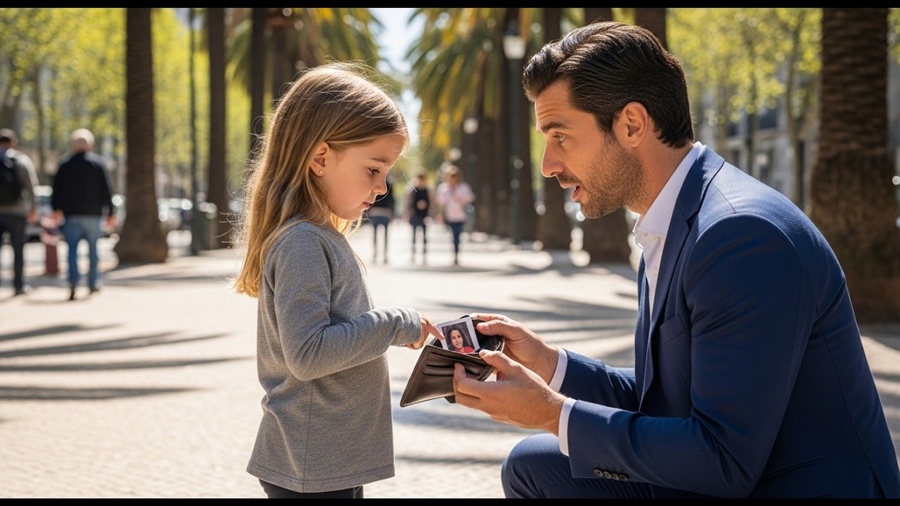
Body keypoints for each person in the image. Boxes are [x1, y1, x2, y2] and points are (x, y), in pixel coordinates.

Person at [451, 21, 900, 499]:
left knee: (541, 460)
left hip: (788, 486)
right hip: (734, 473)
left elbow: (724, 459)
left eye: (560, 136)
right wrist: (550, 364)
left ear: (632, 125)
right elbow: (664, 397)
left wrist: (551, 413)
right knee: (534, 466)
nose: (548, 165)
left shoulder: (741, 236)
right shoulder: (674, 218)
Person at [231, 61, 441, 499]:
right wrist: (395, 324)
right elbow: (308, 354)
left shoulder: (317, 236)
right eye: (373, 170)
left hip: (324, 462)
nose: (383, 188)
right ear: (320, 158)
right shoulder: (303, 243)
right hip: (312, 467)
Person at [51, 128, 117, 301]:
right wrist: (111, 212)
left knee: (71, 250)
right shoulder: (98, 164)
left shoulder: (65, 164)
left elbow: (56, 189)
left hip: (71, 215)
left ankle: (73, 282)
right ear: (90, 145)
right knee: (93, 250)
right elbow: (107, 190)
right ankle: (93, 283)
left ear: (73, 145)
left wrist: (56, 209)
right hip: (93, 215)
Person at [0, 128, 38, 296]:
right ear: (13, 143)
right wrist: (34, 208)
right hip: (17, 211)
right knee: (18, 250)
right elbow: (31, 186)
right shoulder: (21, 160)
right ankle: (18, 286)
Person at [434, 164, 474, 266]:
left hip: (461, 215)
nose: (452, 178)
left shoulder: (463, 187)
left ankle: (456, 254)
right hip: (449, 216)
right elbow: (440, 203)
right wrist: (440, 214)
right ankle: (454, 252)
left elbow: (470, 198)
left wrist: (457, 193)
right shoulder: (444, 188)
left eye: (454, 176)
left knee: (457, 235)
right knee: (452, 235)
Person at [366, 173, 395, 264]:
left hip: (376, 211)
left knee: (375, 234)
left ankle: (376, 253)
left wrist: (368, 209)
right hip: (384, 211)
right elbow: (392, 199)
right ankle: (384, 254)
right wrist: (392, 211)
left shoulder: (374, 181)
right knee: (385, 235)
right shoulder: (389, 183)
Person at [405, 171, 431, 264]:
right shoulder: (413, 190)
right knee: (414, 236)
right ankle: (413, 253)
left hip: (424, 216)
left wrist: (430, 214)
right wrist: (408, 214)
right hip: (415, 215)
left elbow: (431, 203)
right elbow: (409, 203)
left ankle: (424, 254)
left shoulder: (427, 190)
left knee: (424, 236)